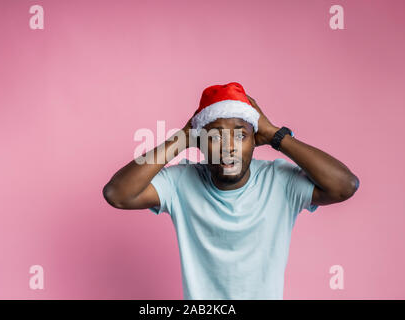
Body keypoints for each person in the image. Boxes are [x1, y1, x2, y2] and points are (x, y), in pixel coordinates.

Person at [102, 82, 359, 299]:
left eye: (240, 135)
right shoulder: (181, 182)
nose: (229, 146)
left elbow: (344, 186)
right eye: (215, 136)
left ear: (255, 141)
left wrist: (275, 134)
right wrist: (182, 137)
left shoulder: (278, 181)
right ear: (200, 143)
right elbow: (118, 194)